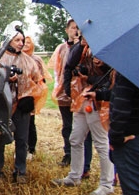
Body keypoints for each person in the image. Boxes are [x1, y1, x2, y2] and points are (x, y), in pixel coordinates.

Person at [53, 39, 114, 195]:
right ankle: (74, 176)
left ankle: (107, 185)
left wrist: (91, 80)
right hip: (82, 99)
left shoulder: (112, 59)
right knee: (75, 138)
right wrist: (81, 44)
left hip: (97, 103)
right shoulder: (85, 50)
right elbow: (70, 64)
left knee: (101, 143)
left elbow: (111, 83)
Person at [0, 26, 43, 184]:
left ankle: (20, 171)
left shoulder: (28, 60)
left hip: (21, 106)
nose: (20, 43)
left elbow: (38, 81)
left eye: (22, 40)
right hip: (1, 105)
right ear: (8, 40)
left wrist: (30, 97)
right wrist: (4, 77)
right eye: (17, 40)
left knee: (22, 140)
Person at [85, 71, 139, 194]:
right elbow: (128, 93)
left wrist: (116, 138)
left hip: (133, 138)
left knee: (137, 188)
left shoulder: (131, 70)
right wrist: (99, 94)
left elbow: (121, 106)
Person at [48, 19, 92, 175]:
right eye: (73, 28)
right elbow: (58, 70)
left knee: (83, 129)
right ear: (67, 30)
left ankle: (84, 165)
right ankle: (68, 153)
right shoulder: (61, 49)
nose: (76, 31)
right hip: (66, 92)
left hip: (83, 92)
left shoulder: (87, 47)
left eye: (78, 28)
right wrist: (61, 87)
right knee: (67, 126)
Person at [22, 35, 51, 159]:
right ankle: (23, 148)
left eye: (28, 43)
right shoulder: (18, 58)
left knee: (30, 122)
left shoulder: (36, 59)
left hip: (32, 94)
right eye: (24, 42)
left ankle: (31, 148)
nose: (26, 45)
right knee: (22, 122)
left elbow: (41, 78)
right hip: (21, 94)